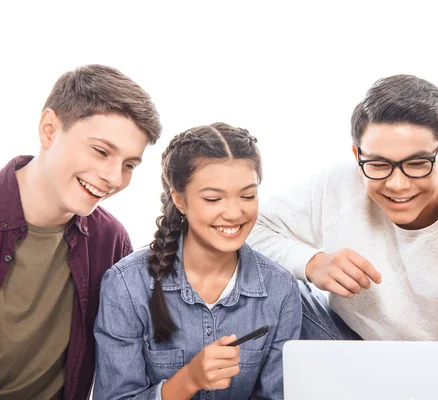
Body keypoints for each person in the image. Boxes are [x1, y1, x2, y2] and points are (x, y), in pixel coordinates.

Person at [93, 123, 302, 400]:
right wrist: (189, 379)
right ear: (179, 199)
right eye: (213, 199)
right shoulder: (126, 285)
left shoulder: (281, 289)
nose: (233, 212)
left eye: (248, 196)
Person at [247, 74, 438, 340]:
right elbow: (247, 229)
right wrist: (311, 262)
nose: (398, 184)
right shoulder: (339, 182)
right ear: (358, 156)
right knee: (279, 283)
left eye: (416, 164)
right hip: (351, 347)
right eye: (378, 165)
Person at [0, 64, 161, 400]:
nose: (114, 178)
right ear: (49, 129)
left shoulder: (111, 240)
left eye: (129, 164)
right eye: (101, 151)